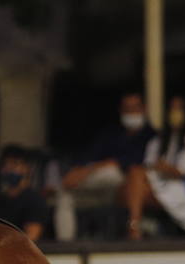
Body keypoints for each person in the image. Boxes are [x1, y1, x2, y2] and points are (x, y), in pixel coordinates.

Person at [54, 91, 157, 240]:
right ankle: (66, 248)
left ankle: (135, 230)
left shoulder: (152, 137)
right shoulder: (111, 133)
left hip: (129, 188)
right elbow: (88, 157)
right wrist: (79, 171)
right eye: (127, 109)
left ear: (144, 109)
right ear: (120, 111)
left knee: (111, 171)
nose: (131, 112)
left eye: (135, 108)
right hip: (100, 190)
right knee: (64, 194)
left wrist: (97, 167)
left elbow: (131, 165)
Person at [124, 96, 185, 239]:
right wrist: (161, 168)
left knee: (136, 184)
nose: (175, 112)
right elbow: (150, 165)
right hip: (163, 184)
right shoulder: (160, 139)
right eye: (172, 108)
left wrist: (166, 168)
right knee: (132, 181)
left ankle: (135, 227)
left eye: (179, 108)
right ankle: (136, 225)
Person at [0, 145, 49, 240]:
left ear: (26, 167)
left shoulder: (34, 200)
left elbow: (31, 238)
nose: (8, 168)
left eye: (14, 163)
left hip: (20, 253)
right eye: (4, 164)